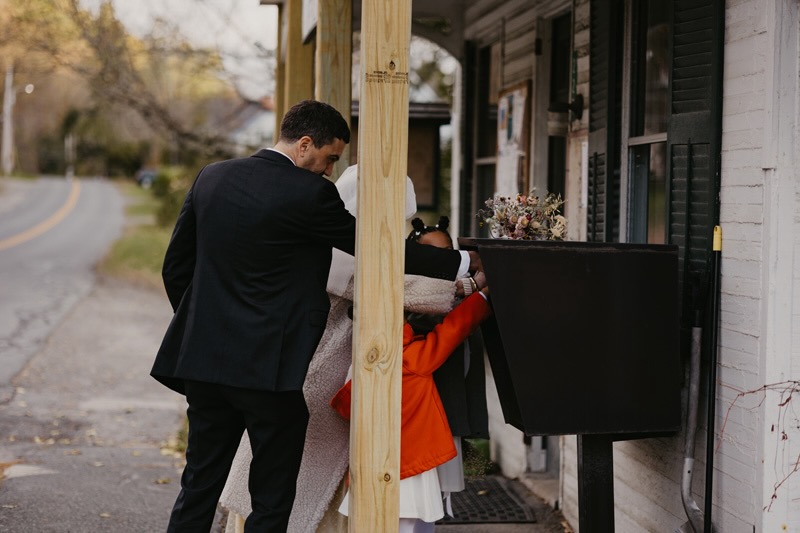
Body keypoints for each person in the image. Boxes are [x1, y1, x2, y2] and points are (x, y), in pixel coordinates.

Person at [150, 100, 481, 532]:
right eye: (329, 158)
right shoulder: (309, 194)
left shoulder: (212, 177)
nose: (329, 171)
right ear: (305, 144)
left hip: (204, 363)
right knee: (271, 497)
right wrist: (460, 263)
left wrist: (205, 326)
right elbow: (377, 248)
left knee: (198, 484)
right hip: (269, 372)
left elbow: (175, 268)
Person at [219, 165, 465, 533]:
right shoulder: (336, 247)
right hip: (321, 372)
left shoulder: (331, 236)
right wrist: (462, 288)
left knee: (310, 477)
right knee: (302, 477)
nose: (401, 227)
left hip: (330, 369)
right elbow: (384, 284)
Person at [331, 284, 492, 532]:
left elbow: (344, 408)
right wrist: (482, 296)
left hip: (370, 463)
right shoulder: (412, 359)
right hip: (412, 466)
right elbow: (454, 329)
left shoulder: (358, 368)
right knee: (413, 524)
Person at [405, 216, 490, 517]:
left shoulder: (455, 291)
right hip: (429, 405)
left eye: (448, 254)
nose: (441, 262)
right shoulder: (412, 300)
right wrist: (468, 291)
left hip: (454, 398)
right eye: (433, 256)